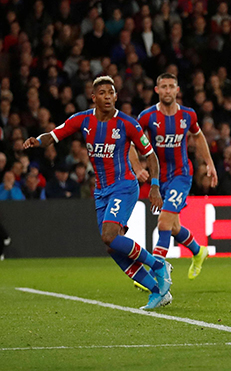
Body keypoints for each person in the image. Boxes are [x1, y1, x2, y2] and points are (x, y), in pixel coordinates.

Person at [23, 76, 171, 310]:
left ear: (115, 96)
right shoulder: (82, 120)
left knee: (109, 236)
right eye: (102, 93)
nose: (108, 97)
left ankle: (158, 265)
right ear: (94, 97)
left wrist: (154, 186)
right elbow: (53, 135)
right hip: (101, 191)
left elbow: (151, 155)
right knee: (112, 246)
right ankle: (157, 291)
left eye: (111, 92)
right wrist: (37, 141)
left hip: (124, 186)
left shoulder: (127, 123)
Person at [137, 73, 218, 282]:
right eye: (163, 86)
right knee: (173, 227)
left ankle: (157, 274)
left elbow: (198, 136)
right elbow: (130, 142)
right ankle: (199, 251)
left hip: (181, 175)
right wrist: (137, 167)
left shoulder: (188, 115)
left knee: (163, 224)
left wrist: (209, 162)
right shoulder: (147, 117)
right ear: (157, 90)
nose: (167, 90)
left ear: (177, 90)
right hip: (159, 179)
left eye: (171, 86)